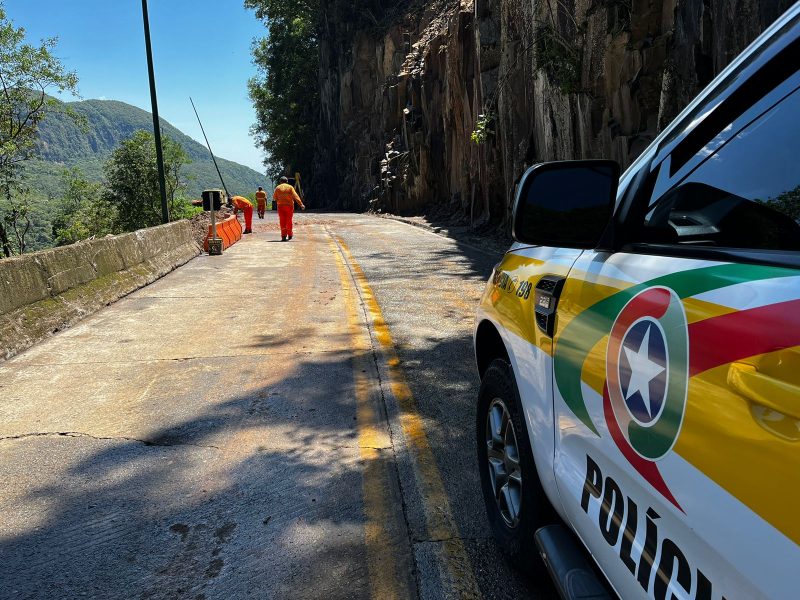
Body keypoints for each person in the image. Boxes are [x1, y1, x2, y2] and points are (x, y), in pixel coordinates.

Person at [273, 176, 305, 241]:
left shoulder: (277, 188)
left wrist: (280, 200)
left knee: (282, 221)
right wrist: (301, 204)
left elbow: (275, 198)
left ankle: (283, 236)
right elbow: (296, 196)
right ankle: (290, 235)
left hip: (280, 206)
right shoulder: (290, 187)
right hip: (289, 206)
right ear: (287, 181)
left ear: (280, 182)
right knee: (289, 220)